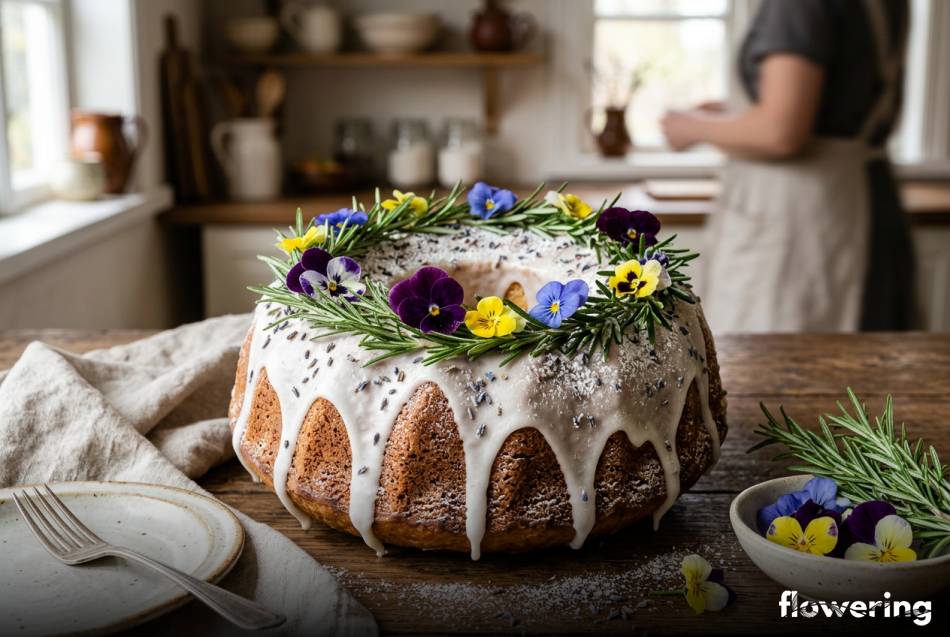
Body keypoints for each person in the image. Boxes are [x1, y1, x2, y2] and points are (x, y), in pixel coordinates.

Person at [661, 0, 914, 332]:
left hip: (799, 218)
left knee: (778, 364)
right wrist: (733, 112)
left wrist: (690, 126)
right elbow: (833, 104)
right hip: (866, 200)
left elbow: (781, 131)